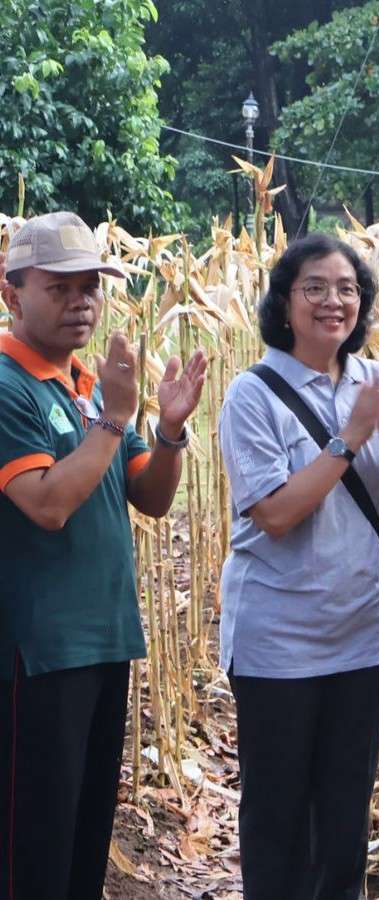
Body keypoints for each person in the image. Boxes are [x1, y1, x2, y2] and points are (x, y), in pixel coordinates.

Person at [217, 233, 379, 899]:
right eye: (314, 287)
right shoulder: (251, 395)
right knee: (279, 816)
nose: (332, 301)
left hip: (364, 634)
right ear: (285, 302)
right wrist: (351, 439)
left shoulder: (377, 384)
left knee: (344, 816)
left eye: (347, 289)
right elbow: (278, 514)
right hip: (279, 640)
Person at [0, 212, 206, 899]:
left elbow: (148, 496)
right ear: (12, 294)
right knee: (33, 848)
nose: (80, 301)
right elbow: (48, 504)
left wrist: (169, 430)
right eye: (58, 287)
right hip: (39, 653)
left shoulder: (90, 382)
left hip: (105, 640)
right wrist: (115, 417)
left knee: (84, 839)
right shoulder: (8, 386)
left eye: (90, 286)